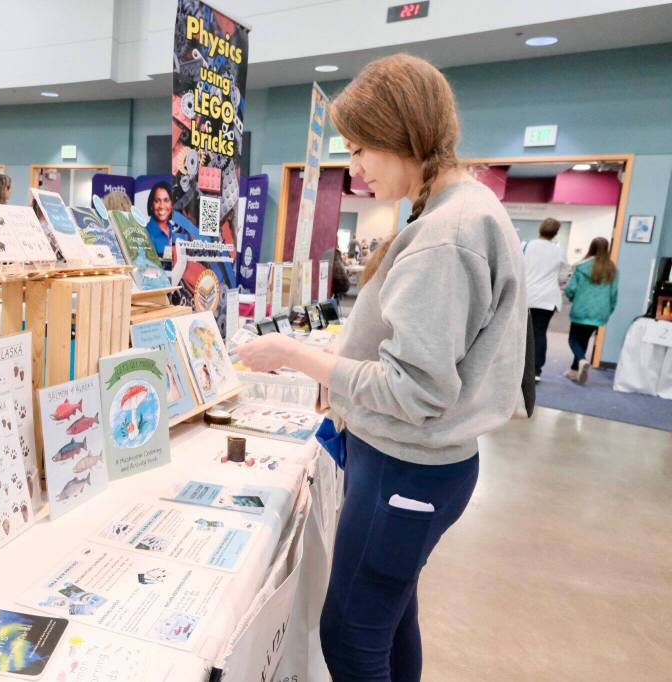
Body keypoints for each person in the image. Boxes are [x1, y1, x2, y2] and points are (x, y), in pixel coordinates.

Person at [237, 54, 525, 682]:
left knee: (351, 639)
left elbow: (413, 389)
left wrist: (295, 355)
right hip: (416, 463)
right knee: (388, 620)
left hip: (406, 466)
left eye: (361, 148)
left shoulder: (447, 234)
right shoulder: (461, 207)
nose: (355, 168)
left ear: (403, 135)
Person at [564, 237, 618, 384]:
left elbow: (570, 289)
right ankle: (575, 371)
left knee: (573, 339)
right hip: (600, 312)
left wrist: (573, 299)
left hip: (581, 309)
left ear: (591, 248)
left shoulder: (581, 266)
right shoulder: (612, 270)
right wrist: (608, 310)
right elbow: (614, 294)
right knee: (584, 339)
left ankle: (581, 360)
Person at [523, 217, 568, 381]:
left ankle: (518, 368)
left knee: (521, 333)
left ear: (540, 229)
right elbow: (563, 277)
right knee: (539, 333)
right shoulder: (559, 251)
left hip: (526, 296)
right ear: (556, 233)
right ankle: (535, 371)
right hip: (547, 299)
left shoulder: (525, 246)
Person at [145, 181, 175, 258]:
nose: (161, 206)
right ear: (151, 205)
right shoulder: (145, 234)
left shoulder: (176, 230)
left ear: (172, 204)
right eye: (157, 201)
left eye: (166, 200)